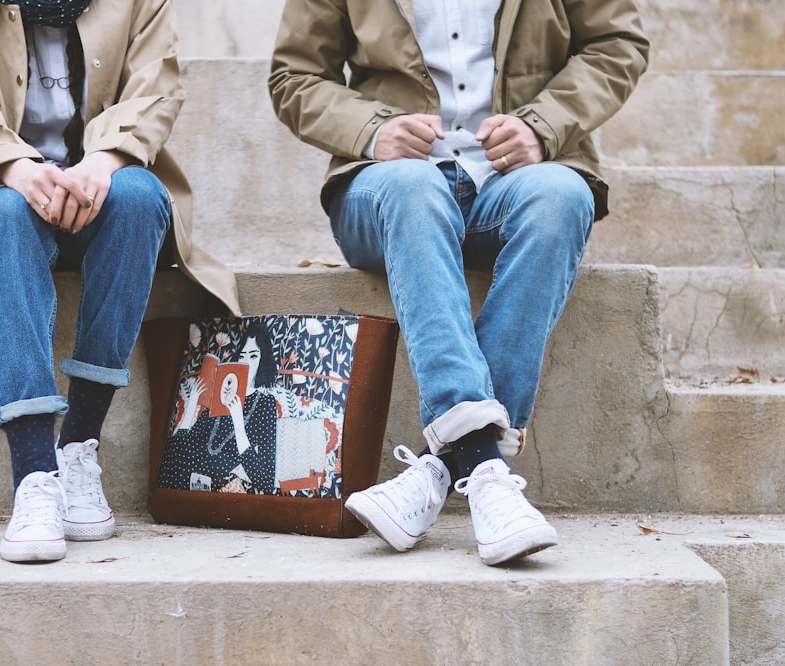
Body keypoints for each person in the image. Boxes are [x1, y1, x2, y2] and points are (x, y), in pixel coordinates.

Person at [269, 0, 649, 565]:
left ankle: (438, 469)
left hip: (516, 180)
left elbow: (618, 44)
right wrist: (374, 132)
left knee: (563, 197)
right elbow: (294, 76)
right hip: (387, 187)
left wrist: (542, 127)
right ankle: (485, 471)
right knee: (414, 188)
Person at [0, 0, 239, 563]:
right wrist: (18, 169)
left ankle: (78, 448)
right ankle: (34, 475)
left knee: (139, 199)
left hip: (97, 188)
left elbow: (155, 89)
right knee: (8, 216)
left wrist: (101, 164)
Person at [160, 321, 282, 494]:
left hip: (214, 470)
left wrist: (238, 422)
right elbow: (184, 442)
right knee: (171, 454)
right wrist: (192, 404)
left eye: (253, 356)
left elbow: (265, 479)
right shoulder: (223, 391)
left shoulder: (265, 404)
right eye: (242, 356)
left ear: (264, 360)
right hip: (189, 462)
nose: (246, 362)